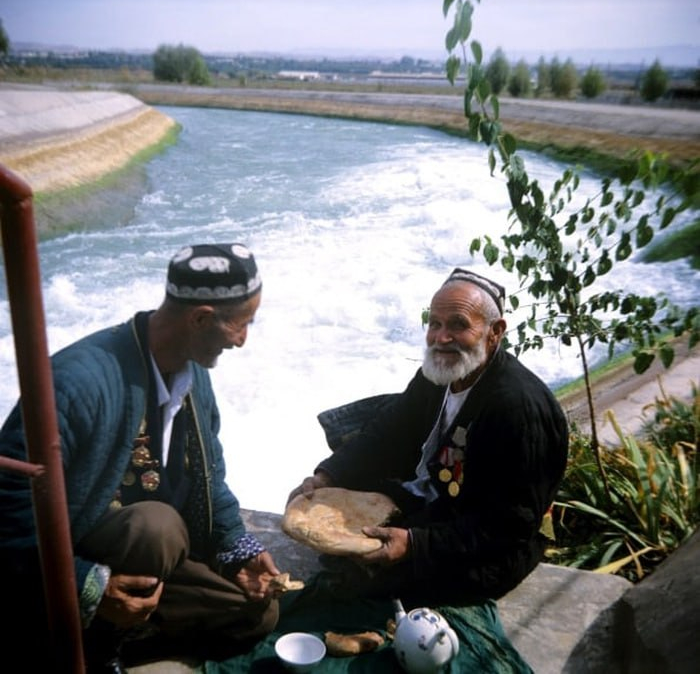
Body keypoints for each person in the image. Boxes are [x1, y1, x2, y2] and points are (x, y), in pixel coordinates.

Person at [0, 243, 283, 672]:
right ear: (201, 318)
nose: (243, 340)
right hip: (64, 578)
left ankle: (123, 634)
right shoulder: (75, 385)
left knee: (258, 613)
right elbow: (8, 513)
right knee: (156, 527)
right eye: (241, 325)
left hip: (147, 570)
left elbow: (210, 476)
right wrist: (88, 586)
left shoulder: (193, 376)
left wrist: (237, 547)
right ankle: (92, 645)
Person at [288, 267, 569, 607]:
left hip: (495, 542)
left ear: (494, 332)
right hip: (441, 495)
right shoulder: (440, 372)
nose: (441, 337)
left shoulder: (518, 409)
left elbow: (509, 525)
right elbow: (389, 431)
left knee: (374, 585)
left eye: (458, 324)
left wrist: (416, 543)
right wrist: (327, 475)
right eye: (435, 323)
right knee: (340, 524)